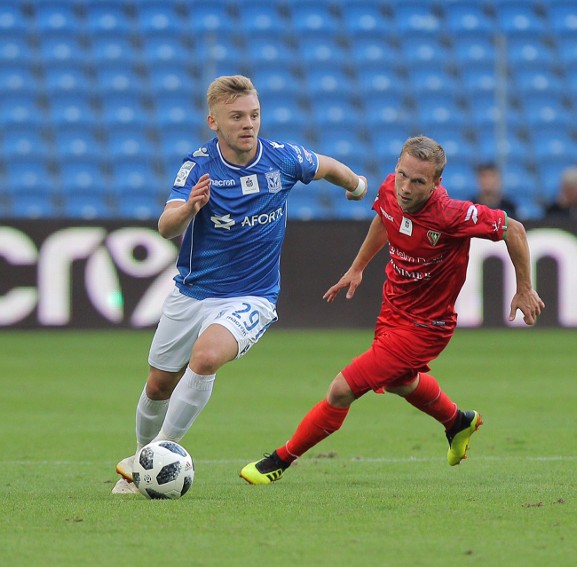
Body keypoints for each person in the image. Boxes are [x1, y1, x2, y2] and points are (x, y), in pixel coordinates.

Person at [111, 75, 368, 494]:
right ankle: (141, 456)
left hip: (252, 295)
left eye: (254, 115)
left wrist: (356, 185)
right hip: (192, 292)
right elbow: (164, 225)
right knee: (158, 384)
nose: (248, 124)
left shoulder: (282, 158)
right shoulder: (199, 165)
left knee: (207, 356)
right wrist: (190, 208)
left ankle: (155, 454)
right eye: (236, 117)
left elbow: (328, 166)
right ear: (213, 121)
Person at [239, 135, 545, 484]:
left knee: (341, 389)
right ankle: (457, 422)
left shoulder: (451, 215)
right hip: (393, 311)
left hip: (427, 326)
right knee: (401, 382)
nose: (405, 187)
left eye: (417, 181)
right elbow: (384, 219)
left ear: (435, 183)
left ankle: (280, 460)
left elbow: (513, 229)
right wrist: (358, 266)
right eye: (402, 175)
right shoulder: (389, 190)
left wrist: (524, 287)